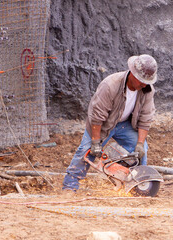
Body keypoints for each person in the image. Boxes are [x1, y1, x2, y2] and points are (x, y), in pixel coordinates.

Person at [62, 54, 158, 191]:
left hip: (125, 124)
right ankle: (70, 186)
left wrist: (140, 144)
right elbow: (96, 116)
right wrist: (95, 142)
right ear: (132, 73)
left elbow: (146, 118)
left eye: (147, 82)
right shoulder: (110, 85)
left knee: (142, 151)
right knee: (85, 150)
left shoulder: (147, 90)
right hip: (103, 124)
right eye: (141, 80)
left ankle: (138, 185)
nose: (144, 84)